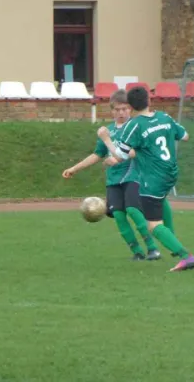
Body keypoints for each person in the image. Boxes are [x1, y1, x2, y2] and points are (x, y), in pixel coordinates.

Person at [97, 86, 194, 272]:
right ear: (149, 101)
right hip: (171, 172)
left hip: (154, 177)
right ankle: (171, 237)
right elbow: (185, 136)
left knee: (152, 225)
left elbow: (121, 154)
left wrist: (106, 139)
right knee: (160, 201)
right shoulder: (164, 117)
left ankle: (185, 256)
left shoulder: (134, 125)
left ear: (131, 107)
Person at [62, 89, 160, 261]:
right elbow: (97, 154)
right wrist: (74, 168)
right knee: (119, 216)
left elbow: (139, 151)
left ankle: (152, 248)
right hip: (113, 179)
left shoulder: (137, 127)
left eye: (124, 109)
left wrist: (117, 158)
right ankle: (137, 252)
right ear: (111, 110)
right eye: (117, 109)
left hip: (133, 175)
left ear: (130, 109)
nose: (121, 112)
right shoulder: (107, 131)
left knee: (133, 210)